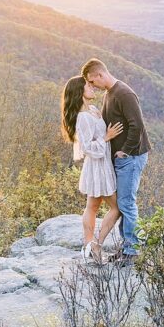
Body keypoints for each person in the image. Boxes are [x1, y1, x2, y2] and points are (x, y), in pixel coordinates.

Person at [81, 58, 151, 265]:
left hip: (132, 156)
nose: (93, 86)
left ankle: (133, 250)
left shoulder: (124, 93)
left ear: (100, 75)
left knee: (126, 203)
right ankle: (127, 247)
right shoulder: (110, 94)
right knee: (122, 203)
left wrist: (125, 151)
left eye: (93, 82)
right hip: (122, 159)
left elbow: (136, 125)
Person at [61, 75, 124, 264]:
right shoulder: (83, 118)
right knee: (118, 207)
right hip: (97, 166)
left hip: (103, 163)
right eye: (88, 86)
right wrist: (106, 138)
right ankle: (95, 244)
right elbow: (87, 147)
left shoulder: (94, 110)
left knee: (93, 206)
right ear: (80, 91)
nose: (92, 88)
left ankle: (89, 248)